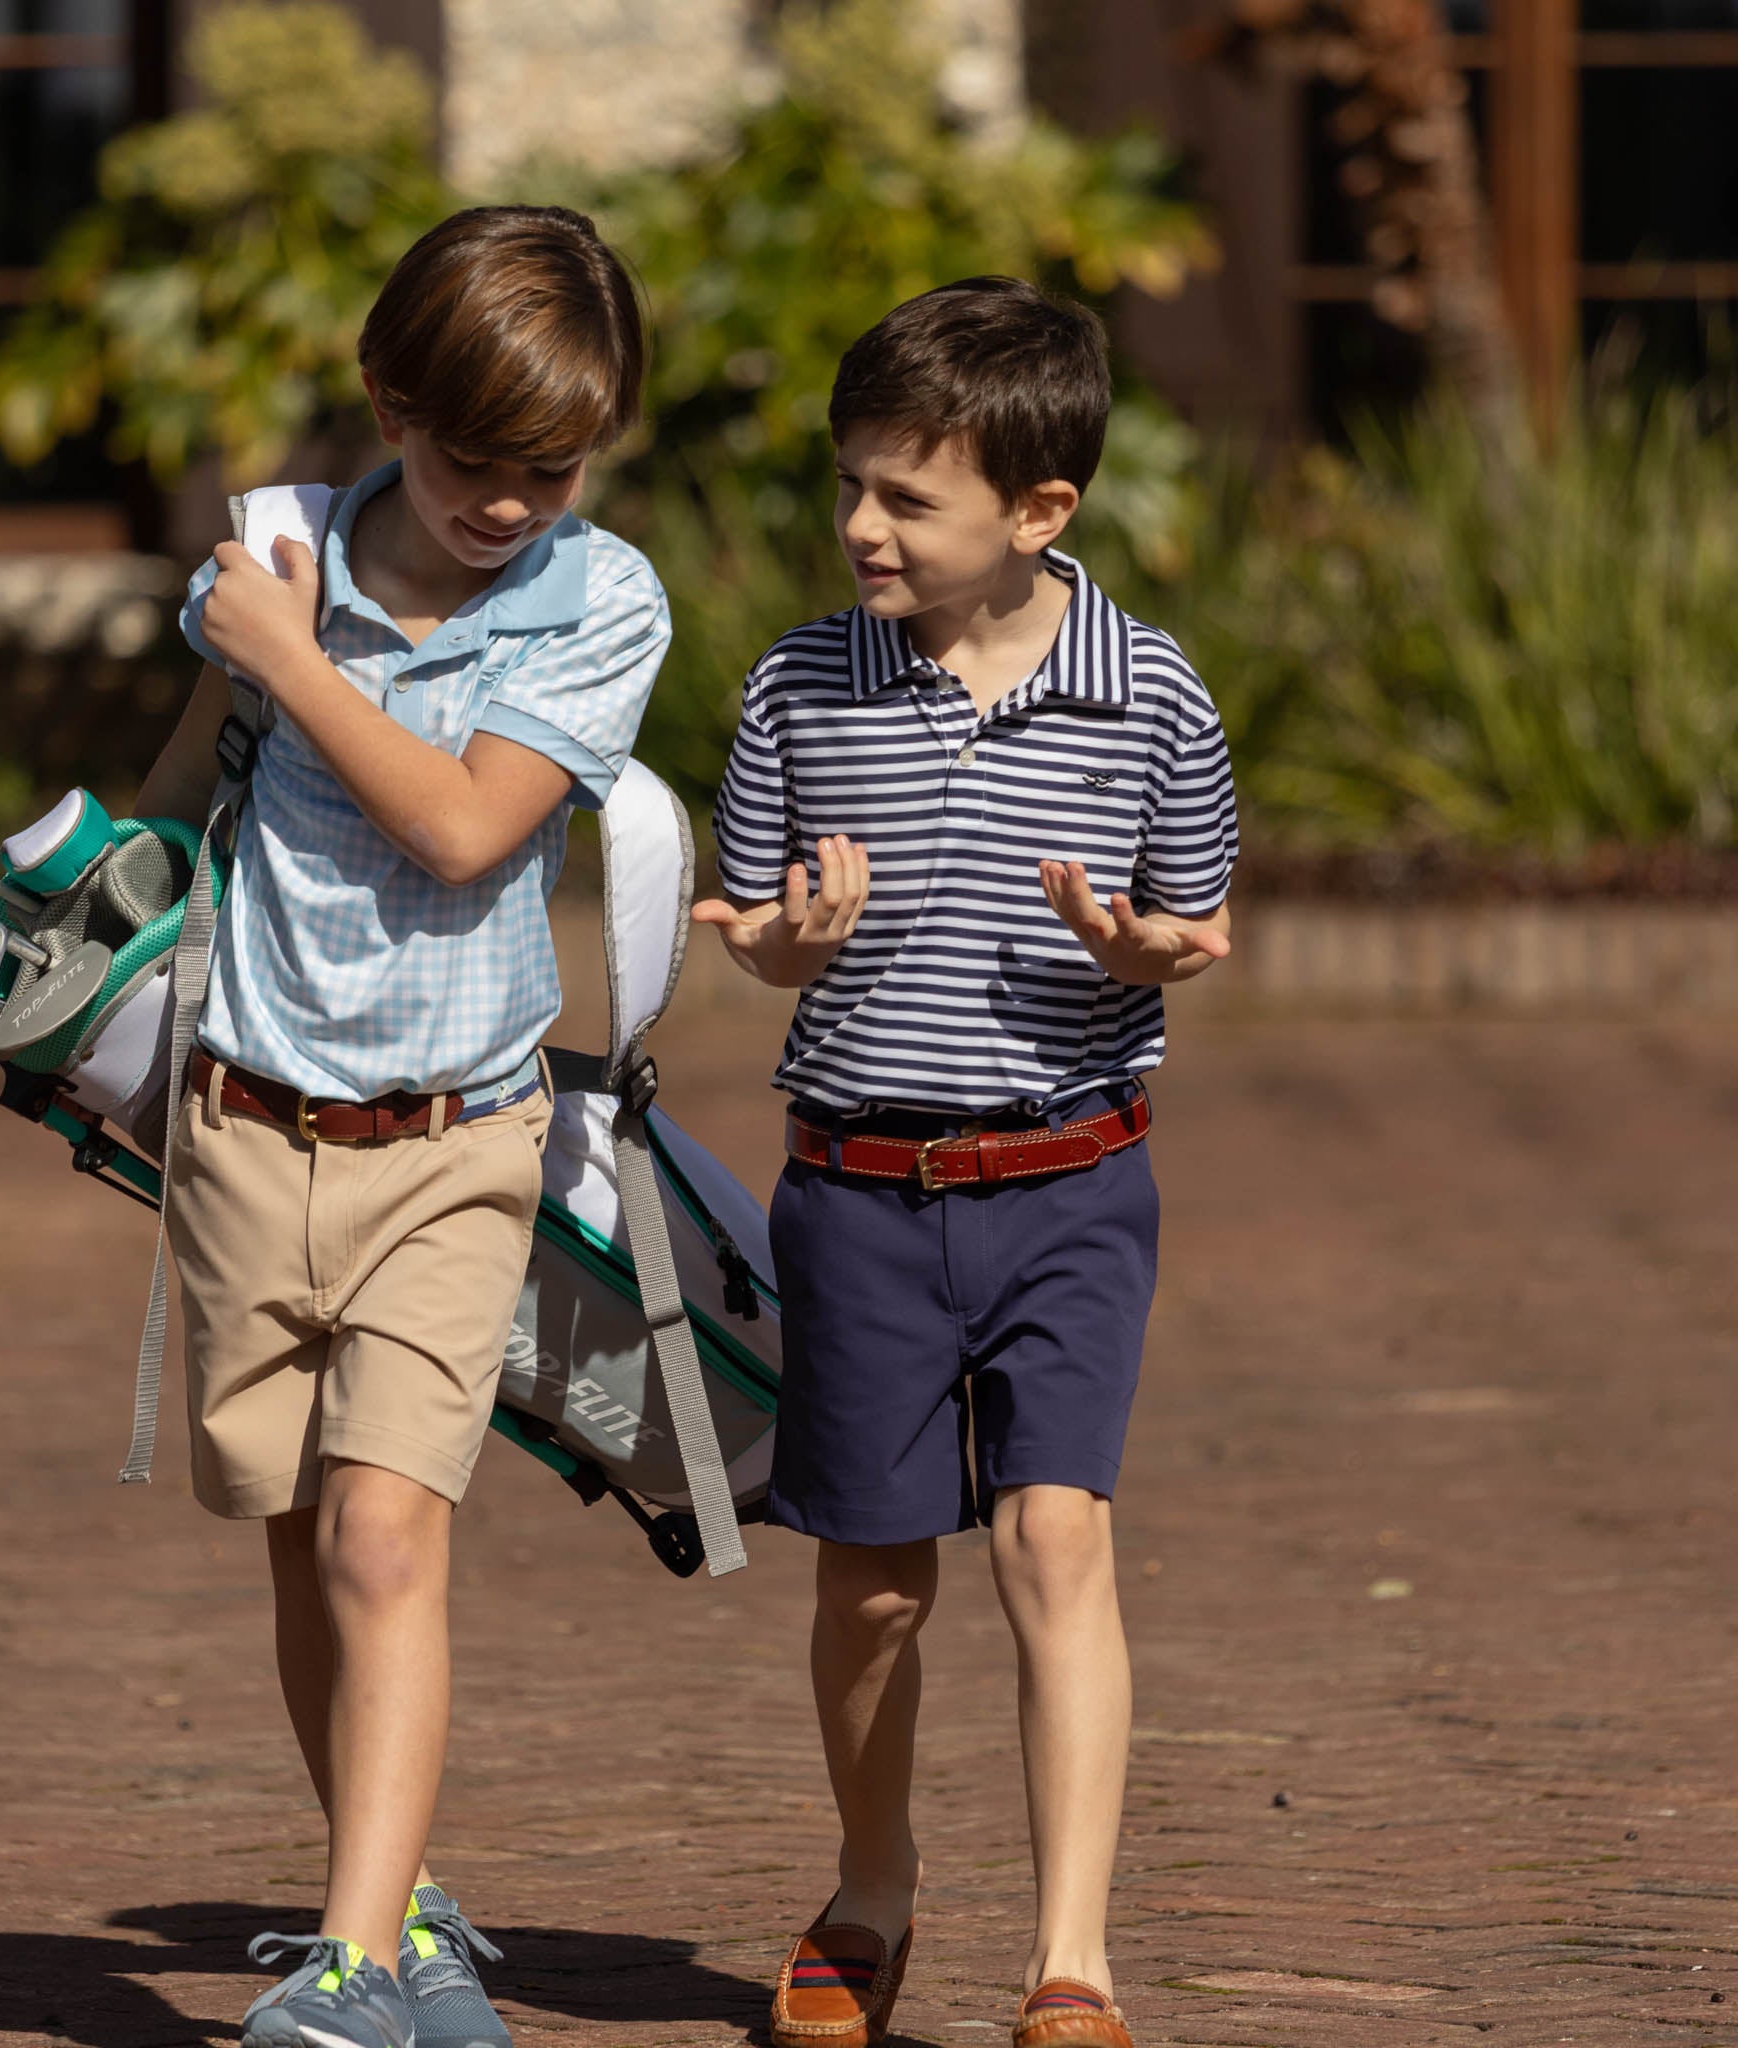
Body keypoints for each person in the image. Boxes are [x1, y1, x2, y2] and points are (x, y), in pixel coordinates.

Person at [135, 205, 670, 2048]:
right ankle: (402, 1906)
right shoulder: (279, 547)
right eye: (471, 460)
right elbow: (173, 798)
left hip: (456, 1139)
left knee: (386, 1537)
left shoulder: (602, 599)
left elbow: (462, 829)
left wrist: (292, 660)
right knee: (296, 1533)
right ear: (388, 398)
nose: (510, 501)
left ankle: (352, 1974)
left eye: (554, 464)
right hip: (244, 1127)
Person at [694, 278, 1237, 2048]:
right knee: (869, 1581)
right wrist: (784, 946)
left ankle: (1071, 1960)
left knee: (1054, 1539)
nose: (860, 525)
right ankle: (872, 1888)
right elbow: (755, 933)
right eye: (851, 483)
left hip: (1076, 1188)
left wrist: (1146, 953)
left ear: (1039, 513)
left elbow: (1191, 924)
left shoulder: (1155, 693)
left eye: (906, 498)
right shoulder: (796, 685)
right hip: (853, 1195)